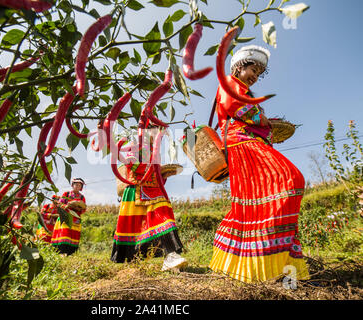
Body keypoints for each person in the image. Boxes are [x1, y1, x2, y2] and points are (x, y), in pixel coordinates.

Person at [208, 45, 310, 282]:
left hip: (248, 143)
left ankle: (272, 267)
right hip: (240, 144)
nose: (255, 75)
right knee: (290, 179)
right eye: (253, 69)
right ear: (239, 66)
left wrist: (263, 123)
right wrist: (262, 119)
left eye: (259, 72)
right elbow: (234, 107)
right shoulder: (228, 83)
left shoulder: (245, 90)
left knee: (259, 198)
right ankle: (265, 262)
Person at [110, 128, 187, 271]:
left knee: (164, 218)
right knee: (135, 228)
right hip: (136, 190)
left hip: (154, 190)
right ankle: (133, 263)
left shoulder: (154, 150)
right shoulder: (137, 145)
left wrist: (163, 175)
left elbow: (156, 177)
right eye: (156, 130)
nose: (159, 133)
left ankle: (171, 254)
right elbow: (132, 165)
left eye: (160, 131)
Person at [50, 178, 87, 255]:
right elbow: (60, 204)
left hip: (76, 219)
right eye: (76, 185)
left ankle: (71, 253)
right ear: (72, 185)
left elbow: (84, 209)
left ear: (81, 187)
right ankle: (61, 252)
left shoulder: (82, 197)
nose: (77, 186)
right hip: (66, 216)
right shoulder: (66, 194)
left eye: (79, 185)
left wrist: (78, 208)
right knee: (64, 233)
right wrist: (67, 206)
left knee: (74, 234)